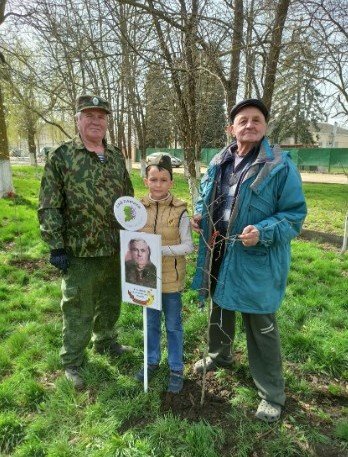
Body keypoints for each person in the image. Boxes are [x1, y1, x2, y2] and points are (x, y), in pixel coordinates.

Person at [191, 99, 307, 421]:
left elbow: (295, 216)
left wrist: (265, 230)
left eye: (257, 120)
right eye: (243, 120)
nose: (250, 125)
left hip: (256, 257)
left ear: (265, 127)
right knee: (220, 307)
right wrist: (202, 212)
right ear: (232, 128)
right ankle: (220, 354)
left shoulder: (280, 166)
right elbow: (206, 193)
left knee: (260, 325)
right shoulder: (218, 161)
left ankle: (272, 393)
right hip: (219, 249)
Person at [38, 94, 134, 389]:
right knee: (77, 306)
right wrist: (56, 245)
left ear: (107, 122)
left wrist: (133, 233)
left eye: (101, 116)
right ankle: (73, 361)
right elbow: (49, 204)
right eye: (89, 115)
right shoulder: (62, 156)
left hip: (114, 245)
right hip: (78, 250)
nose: (96, 121)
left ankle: (105, 341)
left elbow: (128, 200)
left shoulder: (117, 156)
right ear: (78, 120)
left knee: (109, 302)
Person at [135, 154, 194, 393]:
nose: (158, 184)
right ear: (146, 181)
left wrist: (159, 249)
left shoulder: (180, 211)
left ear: (171, 182)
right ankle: (151, 362)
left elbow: (188, 246)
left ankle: (176, 368)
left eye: (163, 179)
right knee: (150, 324)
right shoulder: (137, 209)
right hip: (145, 279)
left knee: (173, 325)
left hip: (171, 279)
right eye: (153, 179)